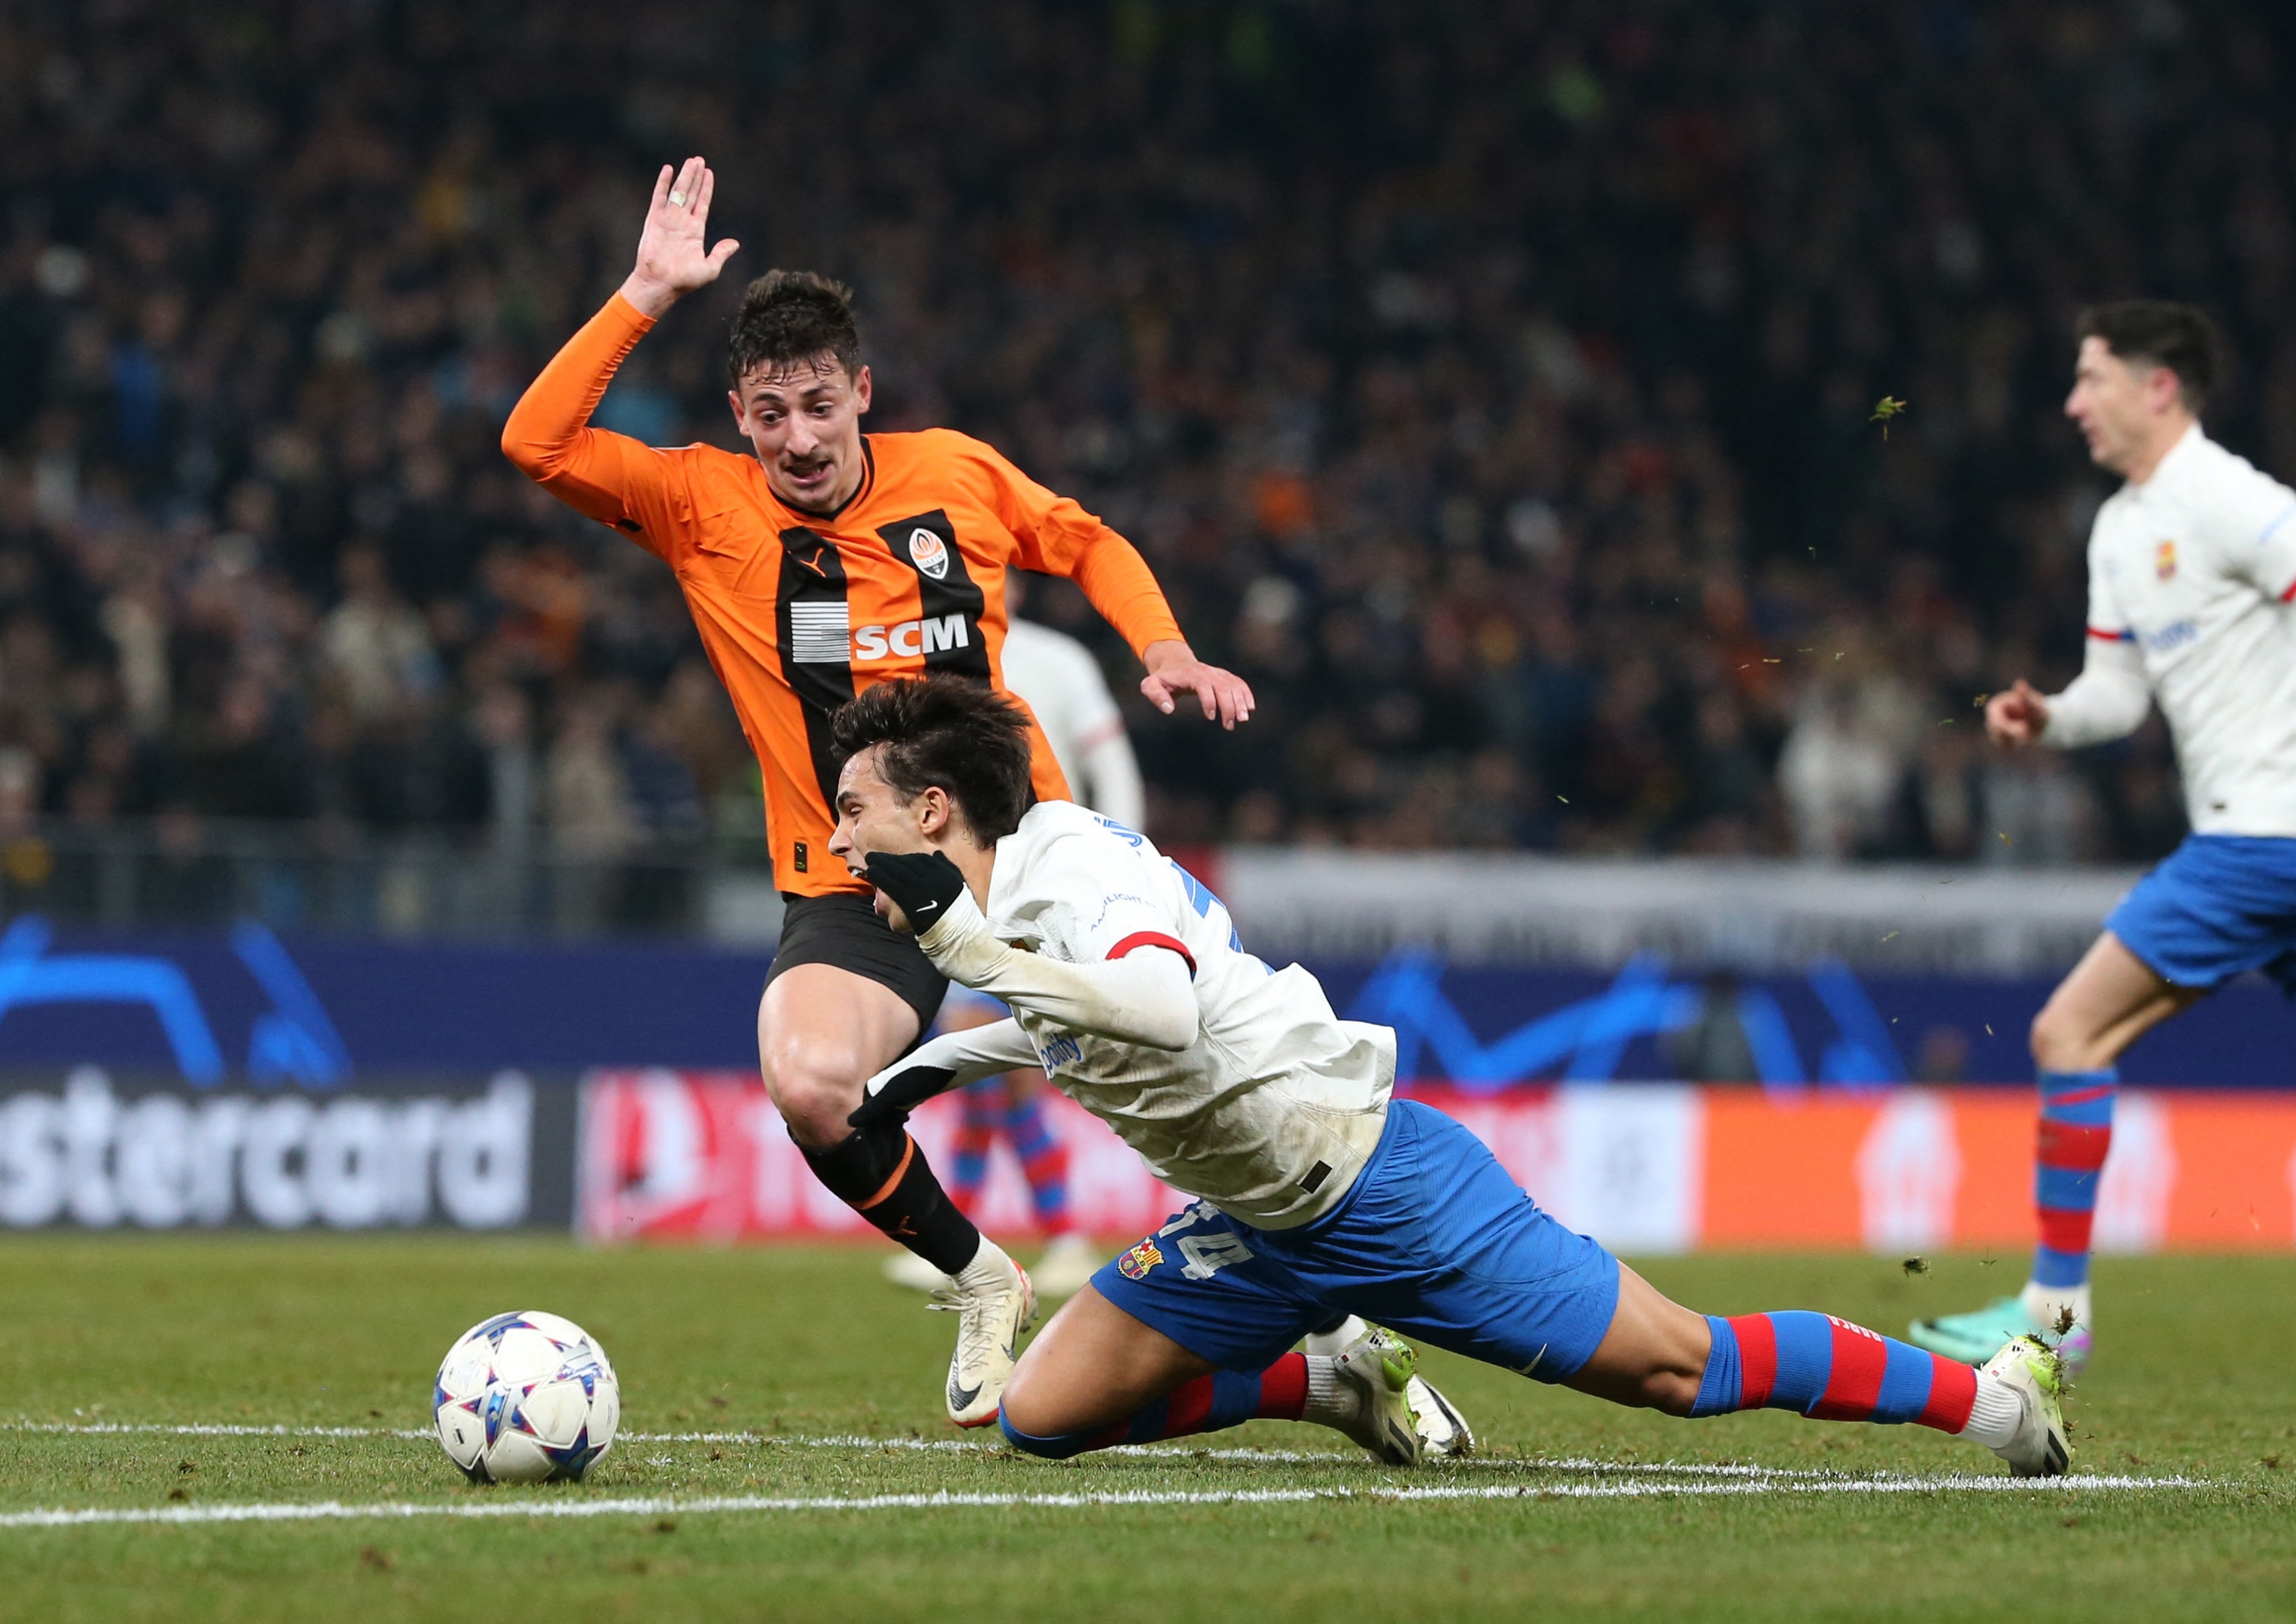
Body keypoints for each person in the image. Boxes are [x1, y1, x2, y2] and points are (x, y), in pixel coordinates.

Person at [827, 674, 2069, 1473]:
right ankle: (1333, 1378)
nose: (837, 840)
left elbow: (1156, 1010)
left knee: (1683, 1369)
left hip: (1381, 1186)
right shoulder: (1020, 892)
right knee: (1040, 1417)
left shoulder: (1069, 875)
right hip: (1255, 1226)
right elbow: (1075, 1019)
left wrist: (968, 961)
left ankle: (1996, 1399)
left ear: (931, 812)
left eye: (851, 810)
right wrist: (934, 1065)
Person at [500, 157, 1254, 1427]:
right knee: (808, 1087)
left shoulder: (954, 475)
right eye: (768, 413)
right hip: (860, 883)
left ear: (861, 392)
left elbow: (1083, 541)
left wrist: (1165, 646)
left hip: (1033, 859)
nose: (796, 439)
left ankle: (1329, 1326)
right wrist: (642, 297)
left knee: (1206, 1081)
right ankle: (983, 1278)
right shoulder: (699, 505)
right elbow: (536, 442)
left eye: (816, 405)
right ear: (738, 415)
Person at [1910, 302, 2296, 1377]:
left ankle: (2054, 1322)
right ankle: (2056, 1319)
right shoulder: (2119, 527)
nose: (2074, 403)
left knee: (2069, 1034)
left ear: (2159, 387)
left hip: (2264, 846)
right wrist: (2052, 716)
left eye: (2093, 379)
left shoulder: (2234, 499)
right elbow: (2120, 692)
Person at [884, 578, 1144, 1300]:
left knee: (1003, 1067)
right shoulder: (925, 656)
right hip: (967, 885)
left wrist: (1118, 863)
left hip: (1045, 886)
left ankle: (1049, 1237)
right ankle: (983, 1242)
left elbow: (1112, 769)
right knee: (987, 1076)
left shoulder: (1057, 659)